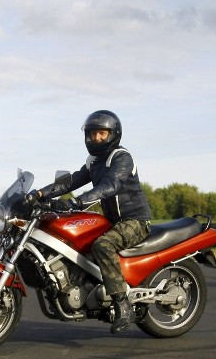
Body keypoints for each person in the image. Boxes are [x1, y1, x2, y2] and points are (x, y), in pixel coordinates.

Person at [31, 110, 152, 334]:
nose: (97, 138)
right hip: (112, 221)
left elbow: (110, 185)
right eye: (93, 134)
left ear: (113, 135)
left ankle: (122, 304)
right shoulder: (94, 161)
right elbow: (71, 181)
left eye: (102, 134)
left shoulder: (121, 158)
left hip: (134, 220)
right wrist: (39, 194)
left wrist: (76, 202)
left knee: (103, 245)